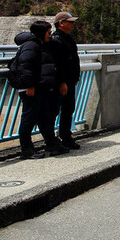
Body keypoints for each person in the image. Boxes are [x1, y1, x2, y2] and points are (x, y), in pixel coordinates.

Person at [14, 20, 68, 159]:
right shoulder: (31, 46)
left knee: (44, 117)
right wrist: (30, 85)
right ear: (42, 33)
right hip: (30, 89)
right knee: (28, 119)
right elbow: (25, 66)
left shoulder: (38, 44)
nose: (50, 35)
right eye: (48, 33)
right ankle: (26, 149)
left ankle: (52, 144)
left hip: (39, 88)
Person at [49, 11, 81, 149]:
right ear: (61, 23)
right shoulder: (56, 39)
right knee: (55, 110)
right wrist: (61, 82)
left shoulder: (67, 38)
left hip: (69, 81)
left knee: (68, 109)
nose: (73, 24)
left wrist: (75, 78)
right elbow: (57, 63)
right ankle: (51, 140)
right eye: (70, 22)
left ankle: (66, 137)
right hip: (62, 82)